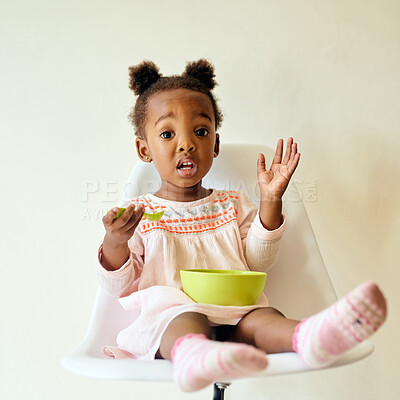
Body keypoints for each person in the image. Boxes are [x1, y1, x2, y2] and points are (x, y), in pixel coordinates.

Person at [96, 59, 387, 392]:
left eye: (201, 131)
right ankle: (195, 355)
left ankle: (309, 336)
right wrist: (115, 241)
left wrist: (270, 200)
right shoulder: (140, 214)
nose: (187, 144)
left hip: (236, 314)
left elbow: (257, 261)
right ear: (144, 150)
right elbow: (117, 286)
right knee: (184, 319)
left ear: (215, 145)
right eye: (167, 133)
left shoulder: (232, 204)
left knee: (264, 319)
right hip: (171, 321)